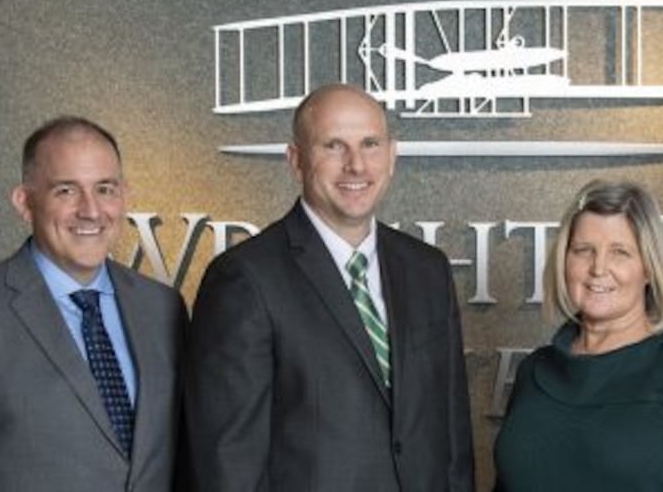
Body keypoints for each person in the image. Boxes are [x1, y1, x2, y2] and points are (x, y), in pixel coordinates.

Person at [183, 83, 475, 491]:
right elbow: (228, 465)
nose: (356, 165)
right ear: (296, 160)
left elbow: (452, 441)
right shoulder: (244, 279)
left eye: (370, 144)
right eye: (334, 146)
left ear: (392, 156)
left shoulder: (428, 270)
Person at [0, 116, 187, 491]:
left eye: (105, 189)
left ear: (124, 195)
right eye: (66, 190)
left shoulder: (163, 308)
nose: (92, 211)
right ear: (25, 202)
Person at [494, 180, 663, 491]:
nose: (598, 268)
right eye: (583, 250)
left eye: (620, 252)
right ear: (564, 260)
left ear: (649, 268)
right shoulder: (535, 372)